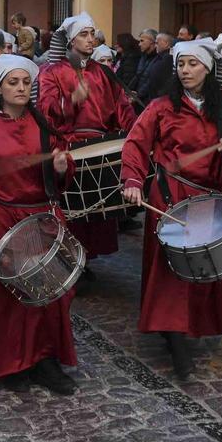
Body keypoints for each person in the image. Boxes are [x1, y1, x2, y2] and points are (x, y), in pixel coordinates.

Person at [121, 40, 222, 378]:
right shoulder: (162, 107)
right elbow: (135, 143)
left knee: (204, 267)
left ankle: (185, 326)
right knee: (171, 272)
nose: (186, 70)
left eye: (193, 64)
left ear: (207, 68)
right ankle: (177, 344)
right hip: (170, 196)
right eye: (181, 64)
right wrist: (132, 179)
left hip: (208, 198)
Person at [0, 55, 79, 394]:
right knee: (8, 295)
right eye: (13, 82)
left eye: (26, 82)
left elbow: (63, 172)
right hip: (2, 220)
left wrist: (60, 167)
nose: (21, 87)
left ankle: (46, 360)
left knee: (51, 294)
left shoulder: (44, 128)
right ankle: (11, 362)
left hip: (42, 219)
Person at [38, 14, 136, 279]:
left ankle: (84, 261)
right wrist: (70, 100)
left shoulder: (103, 71)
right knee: (72, 211)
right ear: (71, 40)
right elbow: (44, 112)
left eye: (92, 33)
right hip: (68, 146)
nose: (91, 39)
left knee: (95, 213)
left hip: (100, 144)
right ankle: (68, 261)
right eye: (84, 34)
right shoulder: (52, 71)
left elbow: (121, 106)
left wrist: (133, 133)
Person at [136, 31, 174, 103]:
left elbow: (160, 82)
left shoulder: (167, 59)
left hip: (157, 100)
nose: (155, 46)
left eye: (157, 43)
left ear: (166, 44)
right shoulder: (159, 57)